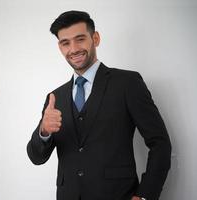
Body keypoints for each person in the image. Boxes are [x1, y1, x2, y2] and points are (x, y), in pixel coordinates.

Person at [27, 10, 171, 200]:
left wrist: (145, 196)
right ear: (60, 47)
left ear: (95, 38)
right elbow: (36, 157)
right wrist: (44, 131)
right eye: (65, 43)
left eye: (80, 39)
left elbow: (160, 143)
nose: (74, 49)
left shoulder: (127, 83)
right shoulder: (55, 98)